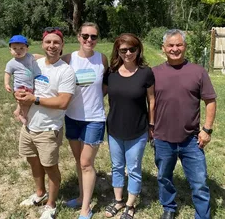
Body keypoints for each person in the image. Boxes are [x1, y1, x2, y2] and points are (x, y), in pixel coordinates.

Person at [152, 29, 217, 219]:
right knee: (164, 177)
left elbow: (210, 101)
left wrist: (207, 129)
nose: (175, 49)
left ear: (185, 47)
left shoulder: (198, 71)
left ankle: (202, 215)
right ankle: (169, 207)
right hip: (162, 137)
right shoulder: (154, 73)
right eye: (171, 45)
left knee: (199, 182)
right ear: (163, 48)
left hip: (191, 139)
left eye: (179, 45)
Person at [15, 27, 76, 219]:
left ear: (62, 45)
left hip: (48, 129)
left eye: (56, 42)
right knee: (33, 162)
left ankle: (50, 205)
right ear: (42, 44)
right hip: (29, 126)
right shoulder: (35, 63)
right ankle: (40, 194)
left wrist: (35, 100)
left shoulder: (66, 71)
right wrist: (18, 95)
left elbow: (63, 102)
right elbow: (23, 83)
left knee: (50, 167)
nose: (52, 45)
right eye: (48, 42)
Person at [103, 33, 155, 219]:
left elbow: (152, 100)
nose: (128, 53)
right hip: (115, 129)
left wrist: (151, 124)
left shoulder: (145, 72)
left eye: (132, 49)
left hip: (138, 129)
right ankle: (118, 201)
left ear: (138, 49)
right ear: (118, 50)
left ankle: (130, 205)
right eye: (123, 49)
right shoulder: (110, 73)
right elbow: (96, 94)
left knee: (133, 168)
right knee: (117, 166)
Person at [62, 22, 108, 219]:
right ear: (78, 36)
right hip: (72, 117)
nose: (89, 40)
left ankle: (86, 208)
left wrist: (95, 99)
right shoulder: (68, 58)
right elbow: (48, 63)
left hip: (94, 119)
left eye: (94, 37)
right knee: (79, 162)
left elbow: (105, 85)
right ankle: (82, 197)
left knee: (86, 163)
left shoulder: (102, 59)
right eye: (85, 36)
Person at [4, 35, 40, 124]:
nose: (18, 51)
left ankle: (17, 111)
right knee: (26, 102)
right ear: (10, 50)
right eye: (15, 48)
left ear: (27, 49)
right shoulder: (11, 63)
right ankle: (23, 115)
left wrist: (45, 58)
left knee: (22, 101)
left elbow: (36, 56)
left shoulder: (29, 57)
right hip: (20, 86)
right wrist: (6, 84)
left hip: (30, 85)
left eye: (21, 48)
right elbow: (7, 73)